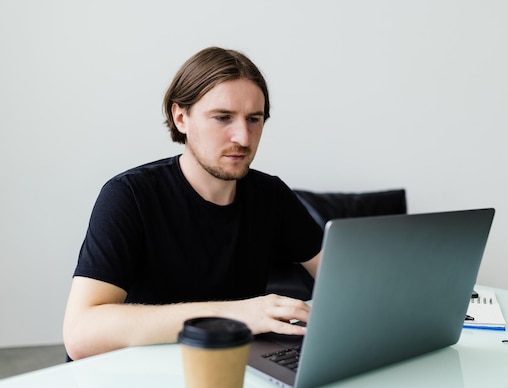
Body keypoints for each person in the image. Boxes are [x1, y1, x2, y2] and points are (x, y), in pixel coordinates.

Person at [63, 47, 323, 360]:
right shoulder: (129, 195)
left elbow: (345, 281)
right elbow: (80, 334)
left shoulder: (272, 195)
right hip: (135, 379)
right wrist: (236, 314)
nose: (243, 136)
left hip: (228, 368)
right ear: (181, 117)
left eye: (254, 119)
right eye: (223, 118)